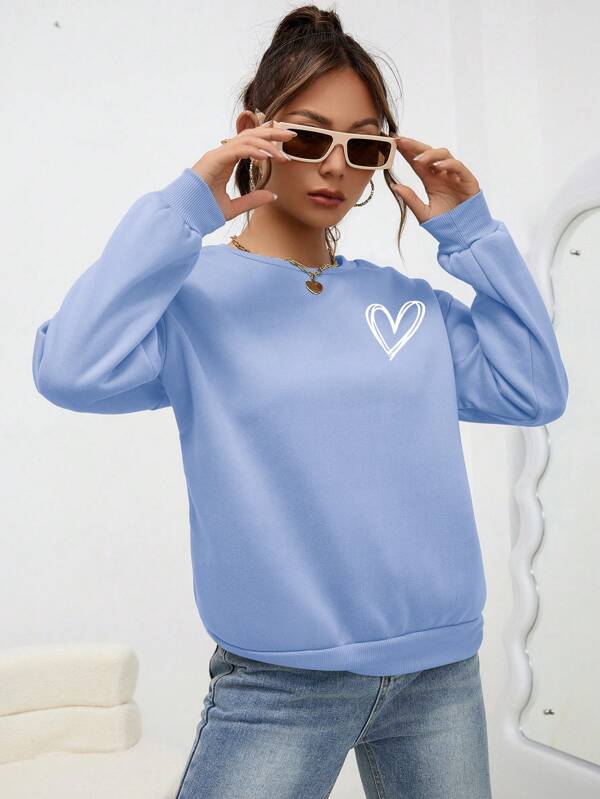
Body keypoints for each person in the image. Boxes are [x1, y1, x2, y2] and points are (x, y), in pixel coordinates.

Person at [31, 5, 568, 798]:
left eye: (365, 146)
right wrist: (185, 207)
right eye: (309, 138)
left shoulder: (408, 304)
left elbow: (535, 389)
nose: (335, 168)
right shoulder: (193, 299)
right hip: (279, 686)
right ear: (253, 134)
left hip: (440, 674)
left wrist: (473, 235)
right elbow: (69, 368)